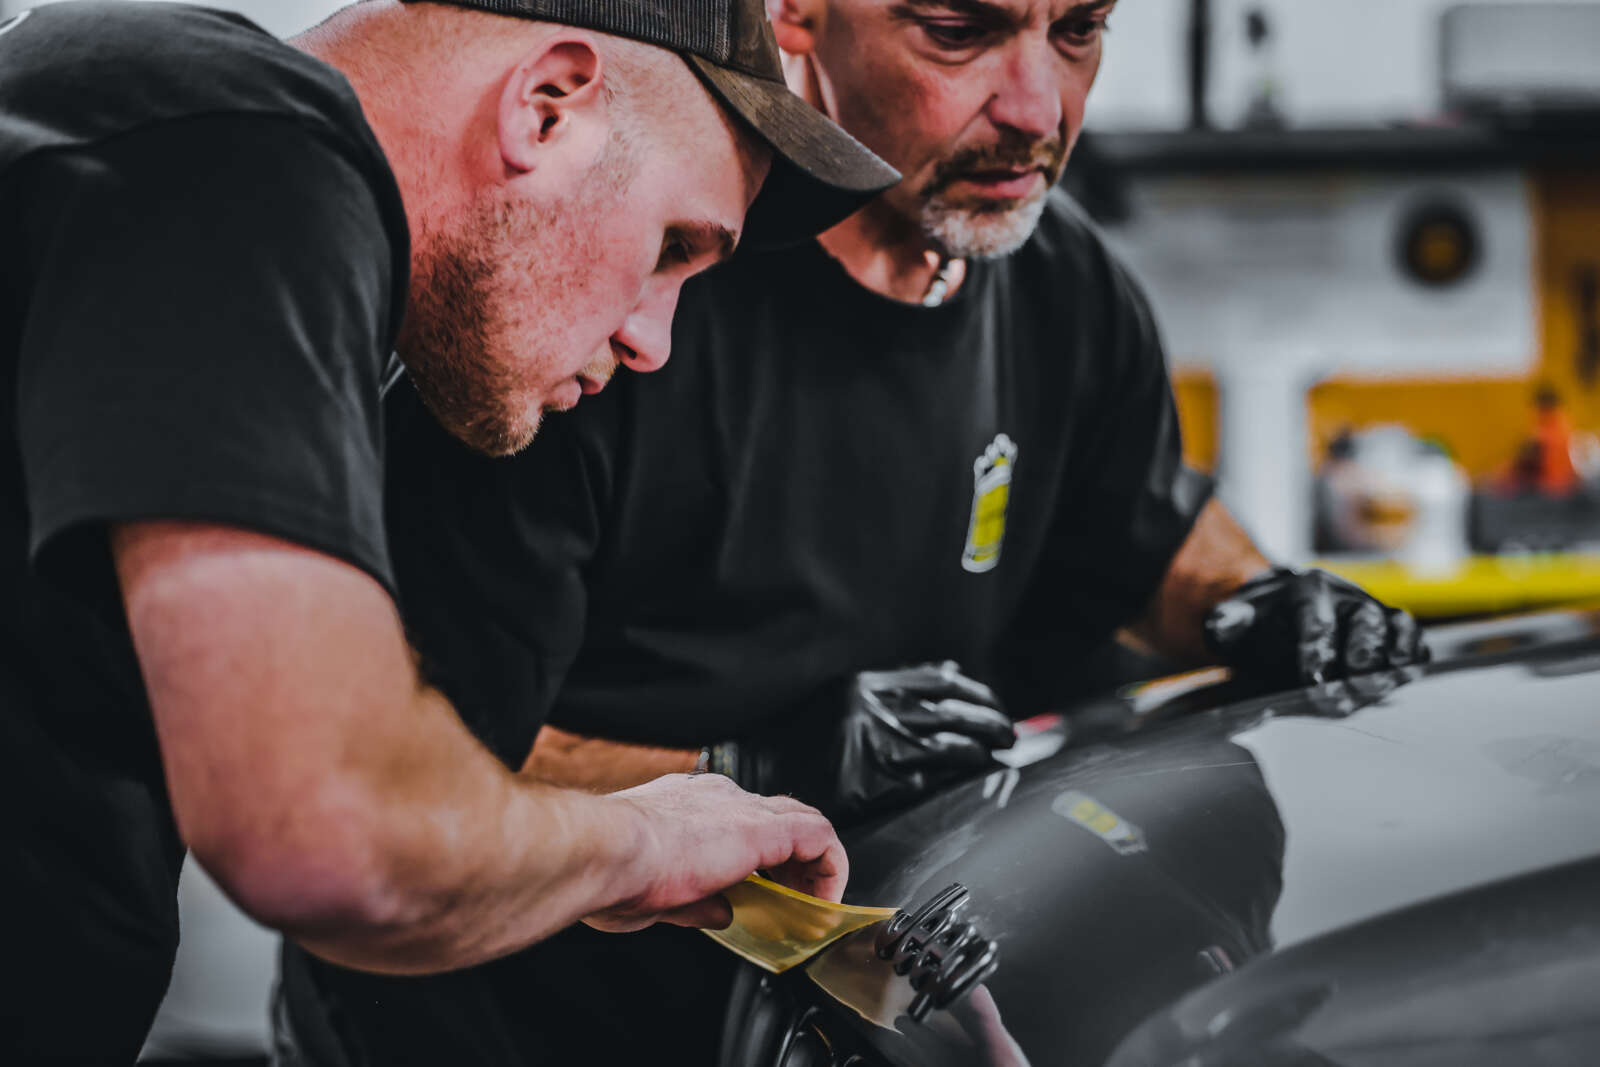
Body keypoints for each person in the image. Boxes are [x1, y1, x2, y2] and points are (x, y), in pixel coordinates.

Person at [279, 0, 1428, 1062]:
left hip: (832, 1031)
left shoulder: (1062, 286)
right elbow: (416, 749)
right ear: (798, 15)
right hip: (499, 1028)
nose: (1039, 107)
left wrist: (1257, 603)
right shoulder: (609, 291)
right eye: (958, 32)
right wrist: (753, 765)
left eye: (1076, 32)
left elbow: (1144, 535)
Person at [0, 0, 898, 1061]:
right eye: (670, 249)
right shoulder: (236, 138)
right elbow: (333, 833)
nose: (651, 341)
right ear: (550, 104)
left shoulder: (181, 150)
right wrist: (645, 842)